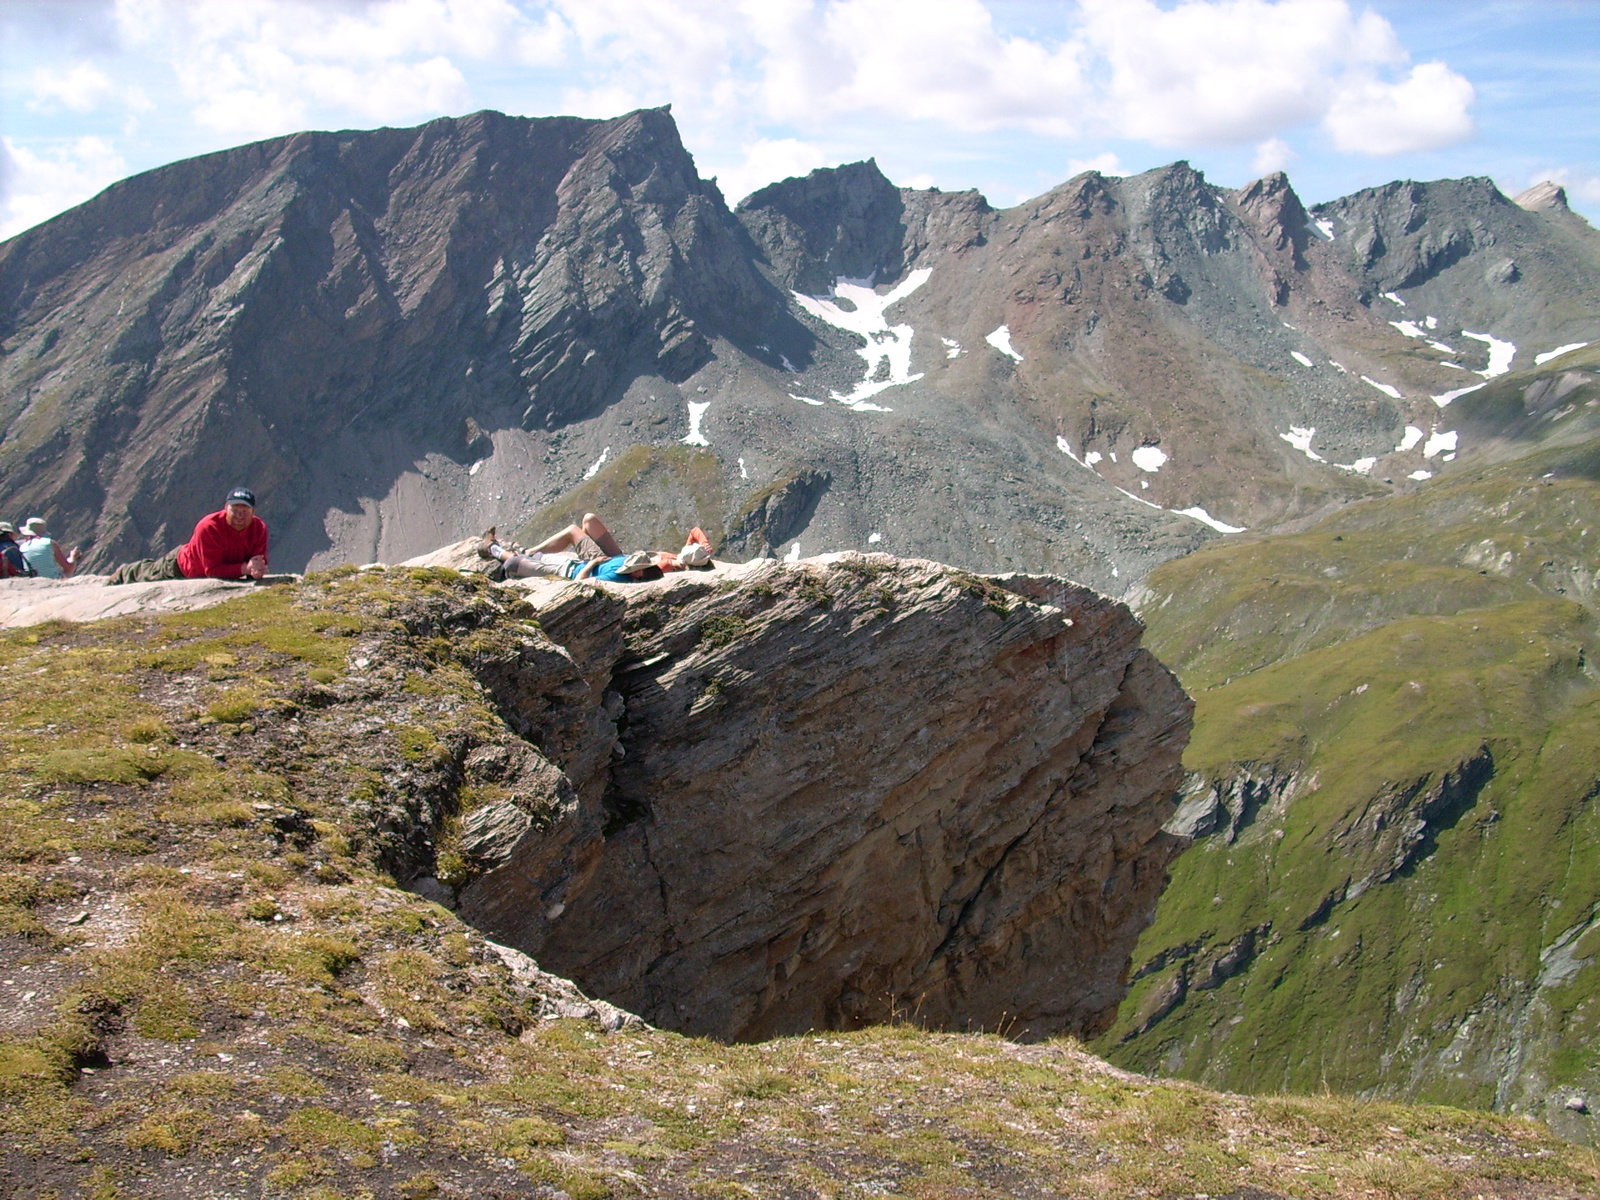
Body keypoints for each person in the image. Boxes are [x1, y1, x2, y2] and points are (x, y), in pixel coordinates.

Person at [107, 488, 269, 585]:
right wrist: (245, 568)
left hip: (222, 568)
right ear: (226, 508)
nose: (239, 516)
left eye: (245, 511)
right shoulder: (209, 527)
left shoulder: (259, 528)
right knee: (147, 573)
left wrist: (257, 569)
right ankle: (123, 572)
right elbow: (212, 570)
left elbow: (258, 559)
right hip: (181, 568)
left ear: (253, 512)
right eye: (235, 510)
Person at [478, 512, 663, 582]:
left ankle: (491, 548)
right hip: (604, 558)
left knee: (512, 563)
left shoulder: (616, 578)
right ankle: (530, 551)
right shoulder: (628, 568)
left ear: (638, 574)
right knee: (579, 526)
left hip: (569, 571)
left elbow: (580, 583)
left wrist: (593, 563)